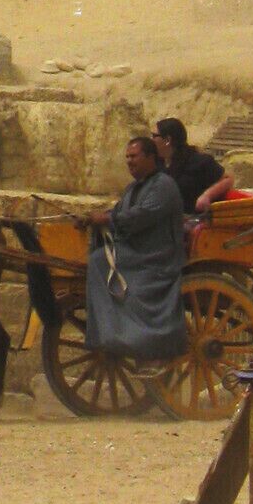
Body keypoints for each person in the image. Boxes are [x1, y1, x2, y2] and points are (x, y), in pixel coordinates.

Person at [85, 133, 187, 361]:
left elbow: (140, 216)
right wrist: (95, 218)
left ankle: (121, 333)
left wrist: (107, 220)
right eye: (127, 157)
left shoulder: (164, 186)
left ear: (151, 157)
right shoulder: (133, 188)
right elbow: (120, 213)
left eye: (134, 156)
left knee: (99, 260)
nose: (129, 161)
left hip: (155, 255)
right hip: (137, 249)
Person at [154, 117, 234, 217]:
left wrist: (207, 195)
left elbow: (227, 179)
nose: (151, 140)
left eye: (154, 136)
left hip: (191, 222)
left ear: (167, 140)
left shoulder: (197, 161)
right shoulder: (157, 163)